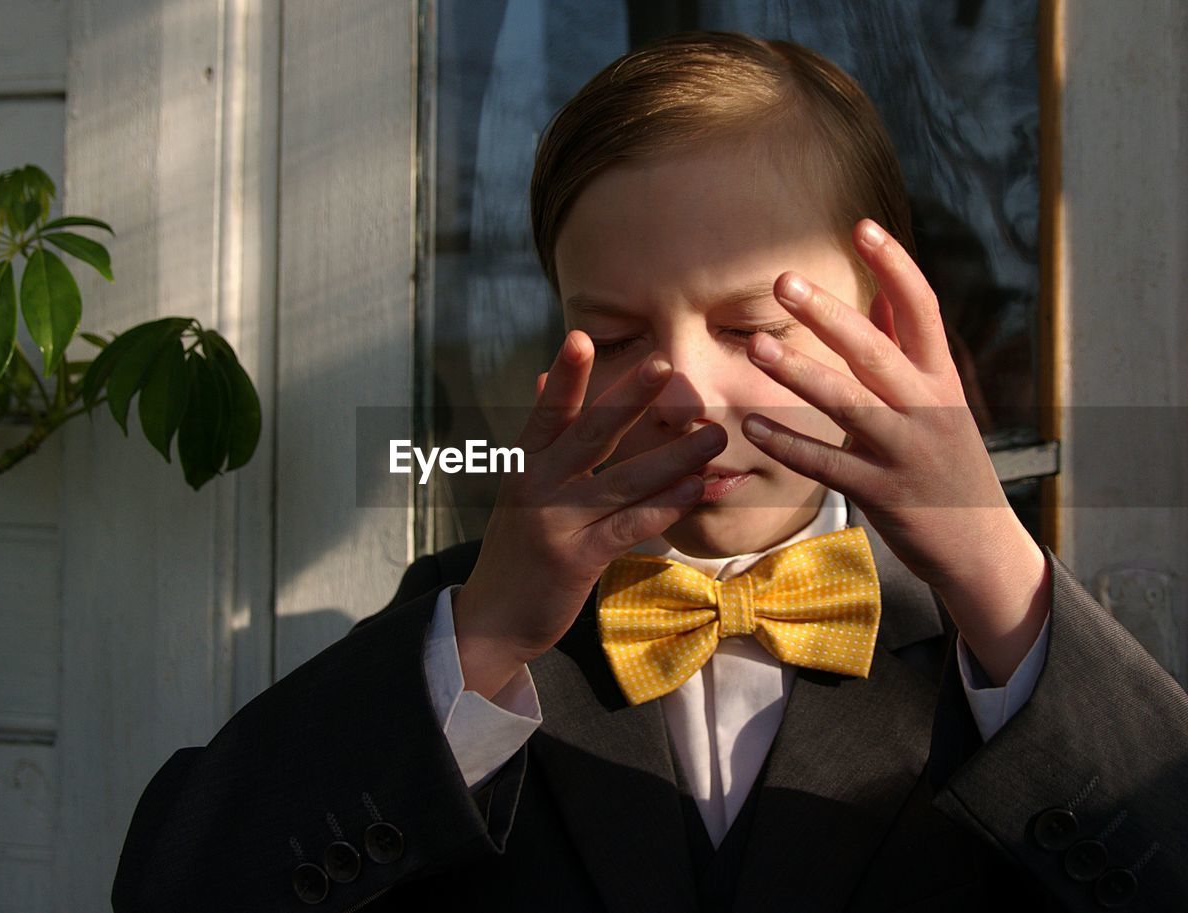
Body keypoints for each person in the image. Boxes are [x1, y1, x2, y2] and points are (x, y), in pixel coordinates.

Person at [112, 32, 1188, 912]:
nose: (688, 396)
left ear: (886, 321)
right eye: (619, 336)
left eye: (757, 326)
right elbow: (175, 888)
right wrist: (482, 635)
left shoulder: (996, 651)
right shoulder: (465, 645)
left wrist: (998, 568)